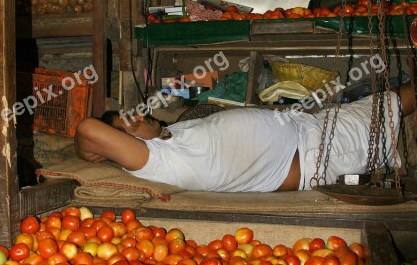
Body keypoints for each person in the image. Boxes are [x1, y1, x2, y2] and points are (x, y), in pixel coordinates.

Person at [74, 82, 416, 193]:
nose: (139, 114)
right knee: (394, 102)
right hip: (316, 150)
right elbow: (87, 131)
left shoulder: (168, 136)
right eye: (127, 120)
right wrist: (126, 135)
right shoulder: (152, 162)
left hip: (310, 126)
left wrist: (151, 130)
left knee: (391, 101)